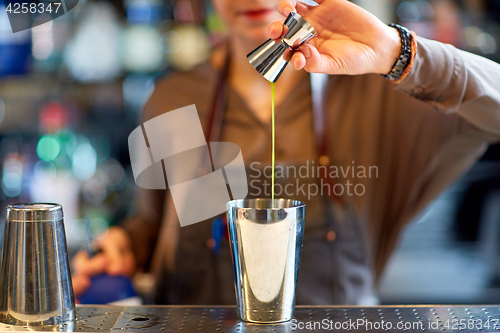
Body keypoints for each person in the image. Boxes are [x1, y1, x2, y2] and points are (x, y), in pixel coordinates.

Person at [72, 0, 500, 305]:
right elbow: (159, 220)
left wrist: (396, 52)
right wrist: (127, 244)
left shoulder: (381, 95)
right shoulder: (175, 97)